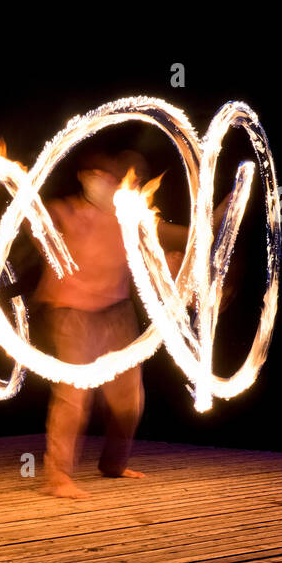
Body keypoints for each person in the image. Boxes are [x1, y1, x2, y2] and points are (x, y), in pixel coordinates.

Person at [33, 147, 232, 498]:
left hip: (116, 314)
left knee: (129, 401)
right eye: (104, 176)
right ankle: (57, 477)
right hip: (70, 314)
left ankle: (113, 464)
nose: (114, 183)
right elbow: (30, 224)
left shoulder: (134, 222)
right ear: (88, 178)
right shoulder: (63, 212)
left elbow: (189, 239)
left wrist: (223, 211)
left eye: (123, 179)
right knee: (74, 397)